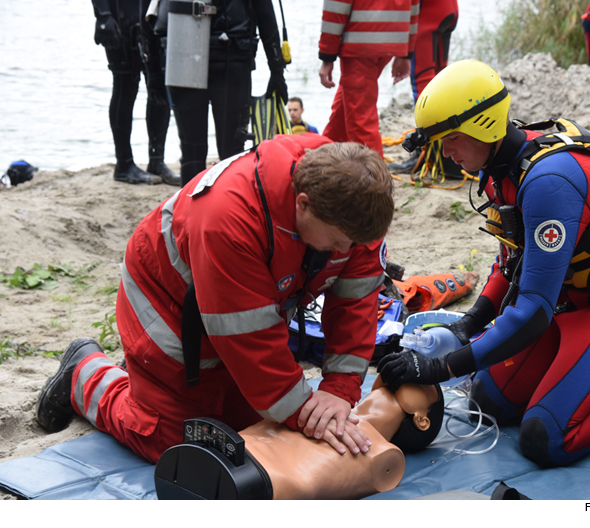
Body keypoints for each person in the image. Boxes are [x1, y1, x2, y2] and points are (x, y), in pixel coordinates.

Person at [378, 60, 590, 468]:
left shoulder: (549, 181)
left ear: (483, 125)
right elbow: (509, 264)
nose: (446, 152)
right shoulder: (501, 166)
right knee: (490, 401)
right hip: (567, 297)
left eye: (451, 139)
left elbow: (532, 313)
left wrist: (440, 367)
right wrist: (466, 325)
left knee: (546, 438)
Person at [35, 135, 395, 464]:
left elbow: (355, 304)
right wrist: (303, 410)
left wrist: (339, 391)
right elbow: (249, 336)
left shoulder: (356, 210)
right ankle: (85, 375)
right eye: (336, 241)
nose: (346, 251)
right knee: (179, 442)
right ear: (303, 204)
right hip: (167, 299)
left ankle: (152, 384)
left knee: (252, 428)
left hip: (244, 304)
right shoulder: (229, 221)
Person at [156, 377, 443, 499]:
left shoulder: (385, 457)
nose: (407, 372)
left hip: (253, 482)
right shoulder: (326, 403)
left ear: (422, 418)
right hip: (223, 453)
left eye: (423, 382)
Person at [155, 0, 289, 186]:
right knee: (232, 150)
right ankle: (230, 209)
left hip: (184, 52)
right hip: (233, 55)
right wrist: (277, 69)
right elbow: (264, 11)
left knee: (191, 149)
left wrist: (153, 71)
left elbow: (149, 15)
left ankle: (191, 211)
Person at [91, 0, 179, 185]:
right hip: (120, 16)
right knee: (125, 85)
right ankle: (124, 164)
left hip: (151, 14)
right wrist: (103, 16)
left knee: (160, 86)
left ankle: (157, 161)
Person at [319, 0, 420, 158]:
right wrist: (406, 52)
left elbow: (336, 7)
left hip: (360, 43)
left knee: (361, 122)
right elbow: (414, 6)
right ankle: (325, 157)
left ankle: (375, 178)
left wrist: (327, 57)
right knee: (348, 104)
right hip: (391, 39)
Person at [389, 0, 459, 174]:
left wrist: (402, 51)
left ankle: (427, 157)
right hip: (447, 9)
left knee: (423, 85)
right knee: (440, 81)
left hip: (427, 14)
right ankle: (447, 153)